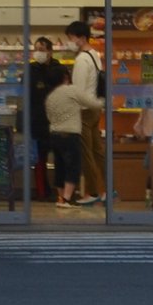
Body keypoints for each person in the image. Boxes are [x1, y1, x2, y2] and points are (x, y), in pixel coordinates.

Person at [43, 29, 102, 208]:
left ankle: (60, 197)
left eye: (70, 37)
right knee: (74, 166)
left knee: (59, 166)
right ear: (65, 77)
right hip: (71, 134)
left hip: (54, 134)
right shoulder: (73, 89)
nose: (69, 41)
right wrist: (103, 102)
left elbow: (49, 115)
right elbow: (89, 101)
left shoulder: (50, 96)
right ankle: (73, 197)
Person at [63, 18, 109, 204]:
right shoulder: (95, 55)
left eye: (71, 37)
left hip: (83, 111)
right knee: (98, 151)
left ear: (81, 38)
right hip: (96, 107)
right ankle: (107, 189)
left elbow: (79, 90)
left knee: (86, 153)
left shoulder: (82, 60)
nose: (69, 41)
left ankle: (92, 192)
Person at [26, 38, 65, 198]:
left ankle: (61, 192)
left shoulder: (59, 69)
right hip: (37, 121)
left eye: (41, 49)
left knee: (60, 158)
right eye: (36, 49)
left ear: (50, 51)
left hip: (57, 121)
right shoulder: (31, 69)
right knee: (39, 159)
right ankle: (43, 192)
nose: (38, 53)